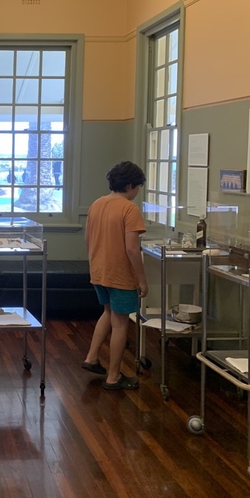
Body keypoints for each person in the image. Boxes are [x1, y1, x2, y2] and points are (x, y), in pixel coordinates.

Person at [81, 161, 148, 390]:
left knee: (107, 312)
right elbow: (132, 249)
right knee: (120, 324)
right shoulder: (130, 209)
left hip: (98, 271)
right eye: (137, 187)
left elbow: (88, 240)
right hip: (120, 274)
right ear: (130, 185)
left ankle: (91, 357)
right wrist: (141, 279)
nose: (137, 192)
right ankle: (113, 376)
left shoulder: (97, 204)